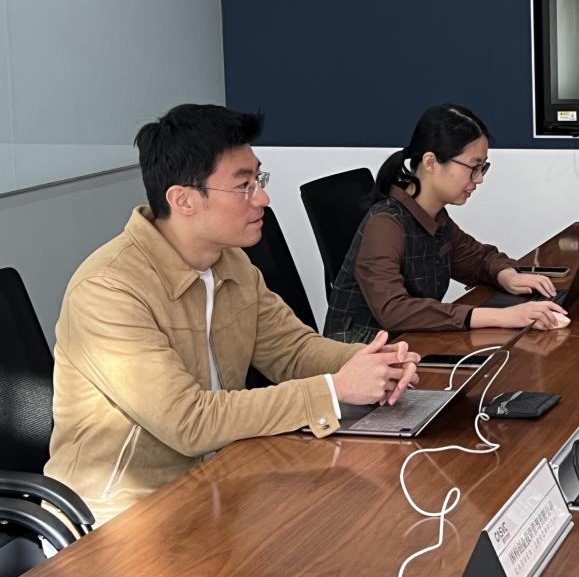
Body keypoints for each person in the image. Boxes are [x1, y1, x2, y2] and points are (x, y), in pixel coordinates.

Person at [44, 104, 420, 525]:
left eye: (258, 179)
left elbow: (292, 351)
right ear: (183, 200)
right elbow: (189, 421)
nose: (262, 198)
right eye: (243, 186)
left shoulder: (231, 262)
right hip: (122, 518)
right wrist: (334, 390)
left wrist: (371, 363)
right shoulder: (107, 290)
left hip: (220, 480)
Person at [323, 104, 568, 343]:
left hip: (409, 342)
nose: (479, 179)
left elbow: (477, 259)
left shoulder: (435, 217)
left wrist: (507, 276)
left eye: (483, 168)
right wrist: (501, 316)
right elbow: (393, 310)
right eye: (473, 167)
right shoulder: (385, 223)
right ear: (431, 162)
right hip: (360, 352)